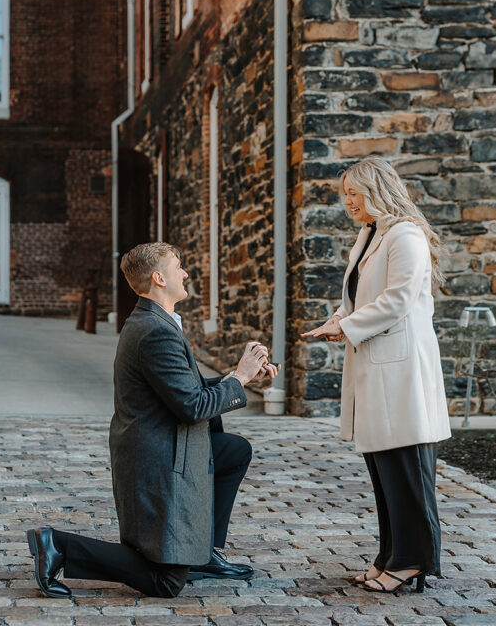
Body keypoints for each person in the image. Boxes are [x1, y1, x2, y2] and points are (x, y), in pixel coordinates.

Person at [26, 241, 278, 599]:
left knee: (232, 451)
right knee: (166, 582)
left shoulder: (157, 321)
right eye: (179, 267)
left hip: (164, 445)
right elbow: (191, 406)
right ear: (159, 277)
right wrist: (238, 378)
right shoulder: (155, 331)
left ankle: (203, 554)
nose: (186, 273)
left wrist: (242, 378)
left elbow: (180, 388)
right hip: (155, 461)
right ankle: (59, 546)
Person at [302, 157, 450, 596]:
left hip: (402, 372)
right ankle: (390, 556)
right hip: (378, 367)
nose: (348, 201)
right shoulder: (370, 236)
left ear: (377, 189)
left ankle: (411, 562)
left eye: (354, 192)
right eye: (344, 193)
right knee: (385, 470)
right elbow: (359, 297)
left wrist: (345, 327)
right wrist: (338, 320)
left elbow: (398, 299)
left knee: (405, 472)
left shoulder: (405, 235)